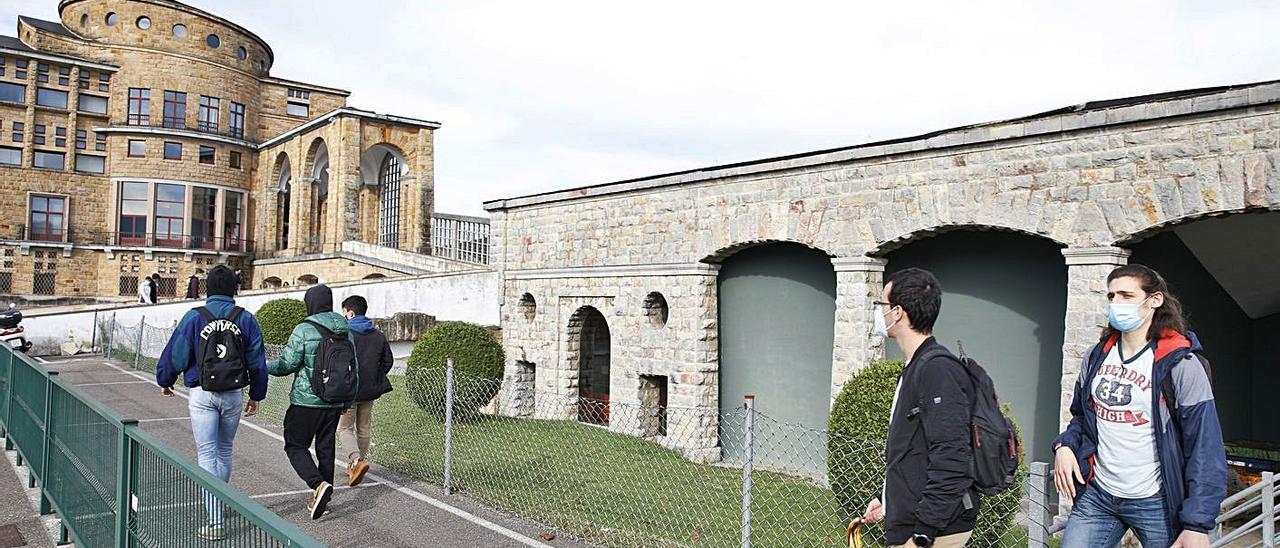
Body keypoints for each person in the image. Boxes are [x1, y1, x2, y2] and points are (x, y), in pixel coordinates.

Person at [1053, 265, 1225, 548]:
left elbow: (1205, 445)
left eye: (1126, 295)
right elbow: (1082, 416)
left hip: (1157, 502)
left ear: (1154, 300)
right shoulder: (1097, 356)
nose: (1116, 304)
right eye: (1111, 296)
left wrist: (1197, 524)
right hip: (1098, 495)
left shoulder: (1181, 365)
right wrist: (1065, 445)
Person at [861, 267, 978, 548]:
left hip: (934, 530)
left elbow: (951, 458)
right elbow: (914, 449)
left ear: (898, 312)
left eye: (882, 305)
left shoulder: (937, 371)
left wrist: (922, 535)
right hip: (913, 520)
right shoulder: (918, 366)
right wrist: (886, 496)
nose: (880, 313)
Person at [155, 265, 267, 541]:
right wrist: (257, 394)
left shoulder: (194, 317)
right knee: (225, 449)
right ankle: (219, 498)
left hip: (202, 393)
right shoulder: (246, 319)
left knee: (206, 454)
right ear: (233, 289)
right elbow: (257, 361)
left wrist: (165, 379)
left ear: (208, 289)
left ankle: (215, 519)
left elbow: (177, 353)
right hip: (233, 394)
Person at [268, 284, 356, 519]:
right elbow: (351, 368)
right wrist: (347, 399)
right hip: (335, 401)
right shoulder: (345, 328)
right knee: (325, 449)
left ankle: (318, 485)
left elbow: (286, 364)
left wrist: (263, 366)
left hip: (306, 402)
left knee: (295, 445)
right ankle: (324, 501)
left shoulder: (304, 329)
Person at [337, 295, 393, 487]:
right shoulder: (378, 334)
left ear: (350, 312)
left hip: (350, 389)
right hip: (370, 390)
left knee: (344, 428)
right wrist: (374, 375)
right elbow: (388, 362)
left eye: (344, 312)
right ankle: (357, 462)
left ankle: (356, 460)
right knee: (363, 428)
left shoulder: (344, 334)